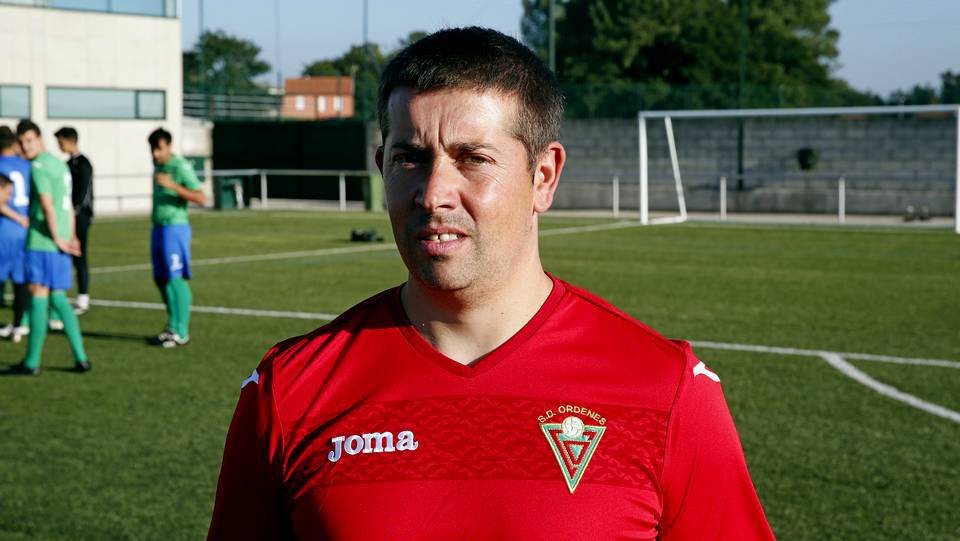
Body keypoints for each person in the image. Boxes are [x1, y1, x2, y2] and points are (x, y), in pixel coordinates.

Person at [207, 28, 776, 540]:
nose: (434, 194)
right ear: (382, 167)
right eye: (410, 158)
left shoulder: (667, 389)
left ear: (543, 177)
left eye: (472, 158)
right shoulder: (288, 391)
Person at [7, 120, 90, 375]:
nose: (25, 146)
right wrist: (71, 236)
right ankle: (81, 358)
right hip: (61, 240)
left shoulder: (40, 166)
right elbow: (69, 204)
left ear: (39, 139)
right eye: (22, 142)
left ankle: (31, 362)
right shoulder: (59, 164)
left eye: (29, 140)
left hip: (43, 241)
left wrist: (56, 237)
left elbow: (48, 204)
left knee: (38, 295)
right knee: (58, 298)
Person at [148, 128, 205, 348]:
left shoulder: (180, 166)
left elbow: (201, 197)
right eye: (152, 149)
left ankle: (182, 331)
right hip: (158, 228)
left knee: (175, 278)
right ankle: (172, 326)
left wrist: (172, 185)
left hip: (175, 228)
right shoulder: (158, 166)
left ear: (169, 146)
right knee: (160, 279)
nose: (155, 153)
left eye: (159, 148)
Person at [55, 126, 94, 315]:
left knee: (79, 255)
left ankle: (83, 298)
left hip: (80, 217)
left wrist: (75, 210)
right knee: (65, 254)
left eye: (61, 141)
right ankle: (60, 295)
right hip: (68, 216)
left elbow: (83, 193)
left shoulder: (84, 164)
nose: (59, 145)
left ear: (70, 140)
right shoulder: (67, 164)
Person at [0, 126, 31, 343]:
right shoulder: (26, 165)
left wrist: (16, 217)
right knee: (20, 282)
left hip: (4, 230)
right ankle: (19, 326)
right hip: (24, 233)